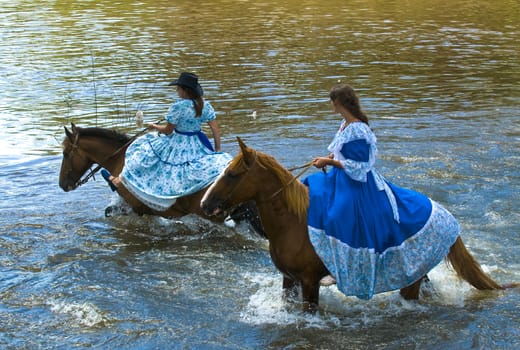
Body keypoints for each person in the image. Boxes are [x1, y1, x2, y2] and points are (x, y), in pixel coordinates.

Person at [303, 84, 460, 299]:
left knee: (339, 214)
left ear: (339, 103)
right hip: (342, 177)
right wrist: (327, 158)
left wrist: (332, 162)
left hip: (357, 182)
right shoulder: (345, 125)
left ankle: (338, 267)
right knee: (312, 190)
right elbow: (339, 151)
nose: (331, 105)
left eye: (332, 102)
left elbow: (360, 165)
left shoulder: (359, 129)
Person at [101, 72, 232, 211]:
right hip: (198, 142)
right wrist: (217, 150)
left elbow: (168, 130)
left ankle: (122, 183)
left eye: (178, 88)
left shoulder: (178, 107)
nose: (177, 91)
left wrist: (154, 126)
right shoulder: (204, 105)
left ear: (184, 90)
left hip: (178, 143)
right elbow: (215, 130)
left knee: (143, 154)